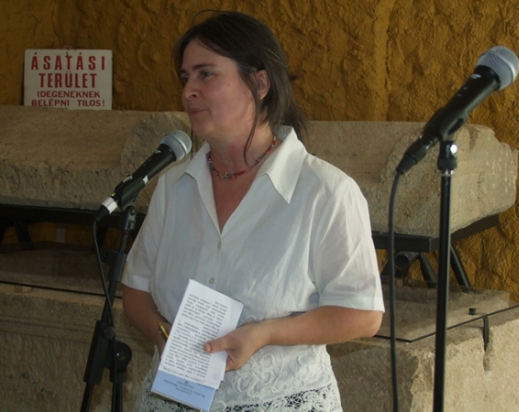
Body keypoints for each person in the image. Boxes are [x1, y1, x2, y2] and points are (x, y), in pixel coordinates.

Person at [121, 10, 385, 412]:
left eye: (206, 74)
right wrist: (168, 340)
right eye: (185, 78)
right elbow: (136, 288)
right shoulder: (174, 186)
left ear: (259, 84)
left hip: (278, 401)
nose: (188, 91)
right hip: (173, 400)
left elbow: (362, 314)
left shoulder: (325, 191)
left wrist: (265, 334)